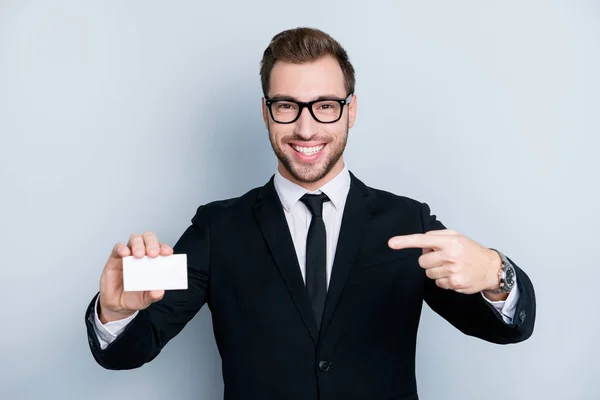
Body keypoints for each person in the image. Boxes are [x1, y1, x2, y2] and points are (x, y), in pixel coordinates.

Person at [84, 27, 536, 400]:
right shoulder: (216, 230)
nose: (306, 127)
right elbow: (128, 352)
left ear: (350, 111)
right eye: (286, 106)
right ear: (266, 113)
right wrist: (115, 313)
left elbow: (506, 330)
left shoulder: (408, 221)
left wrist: (498, 274)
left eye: (325, 106)